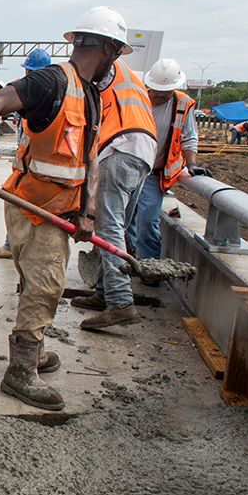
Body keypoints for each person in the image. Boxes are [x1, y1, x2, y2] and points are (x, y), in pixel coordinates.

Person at [0, 6, 129, 410]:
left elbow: (89, 158)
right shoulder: (52, 81)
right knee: (45, 285)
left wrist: (87, 212)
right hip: (30, 205)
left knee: (37, 283)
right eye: (118, 53)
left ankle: (34, 348)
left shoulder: (91, 95)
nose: (116, 61)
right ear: (109, 48)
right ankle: (21, 370)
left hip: (59, 209)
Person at [72, 50, 157, 331]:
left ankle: (120, 303)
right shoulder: (130, 78)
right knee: (118, 228)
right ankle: (104, 295)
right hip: (143, 152)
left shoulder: (105, 68)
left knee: (108, 229)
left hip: (119, 149)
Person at [125, 58, 205, 263]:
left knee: (147, 222)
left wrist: (192, 163)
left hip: (154, 174)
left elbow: (188, 137)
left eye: (166, 91)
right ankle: (129, 258)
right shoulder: (136, 98)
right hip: (128, 169)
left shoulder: (182, 104)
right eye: (157, 90)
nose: (160, 95)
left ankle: (149, 265)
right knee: (123, 221)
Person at [0, 49, 52, 260]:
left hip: (41, 168)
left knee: (29, 208)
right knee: (15, 203)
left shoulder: (50, 96)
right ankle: (11, 246)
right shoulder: (24, 93)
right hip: (25, 165)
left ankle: (20, 248)